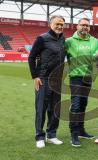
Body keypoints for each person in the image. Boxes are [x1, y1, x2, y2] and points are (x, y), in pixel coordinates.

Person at [28, 15, 66, 148]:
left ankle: (51, 135)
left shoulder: (63, 39)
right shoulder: (42, 39)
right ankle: (39, 136)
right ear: (50, 24)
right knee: (41, 109)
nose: (60, 26)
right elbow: (31, 57)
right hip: (43, 79)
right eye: (57, 24)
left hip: (57, 80)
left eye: (62, 24)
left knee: (55, 109)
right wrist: (35, 76)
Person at [65, 18, 98, 147]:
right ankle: (74, 134)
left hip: (88, 77)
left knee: (83, 104)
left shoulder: (95, 42)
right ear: (77, 26)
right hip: (75, 77)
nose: (85, 27)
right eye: (82, 25)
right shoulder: (69, 41)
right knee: (76, 105)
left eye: (87, 25)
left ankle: (80, 130)